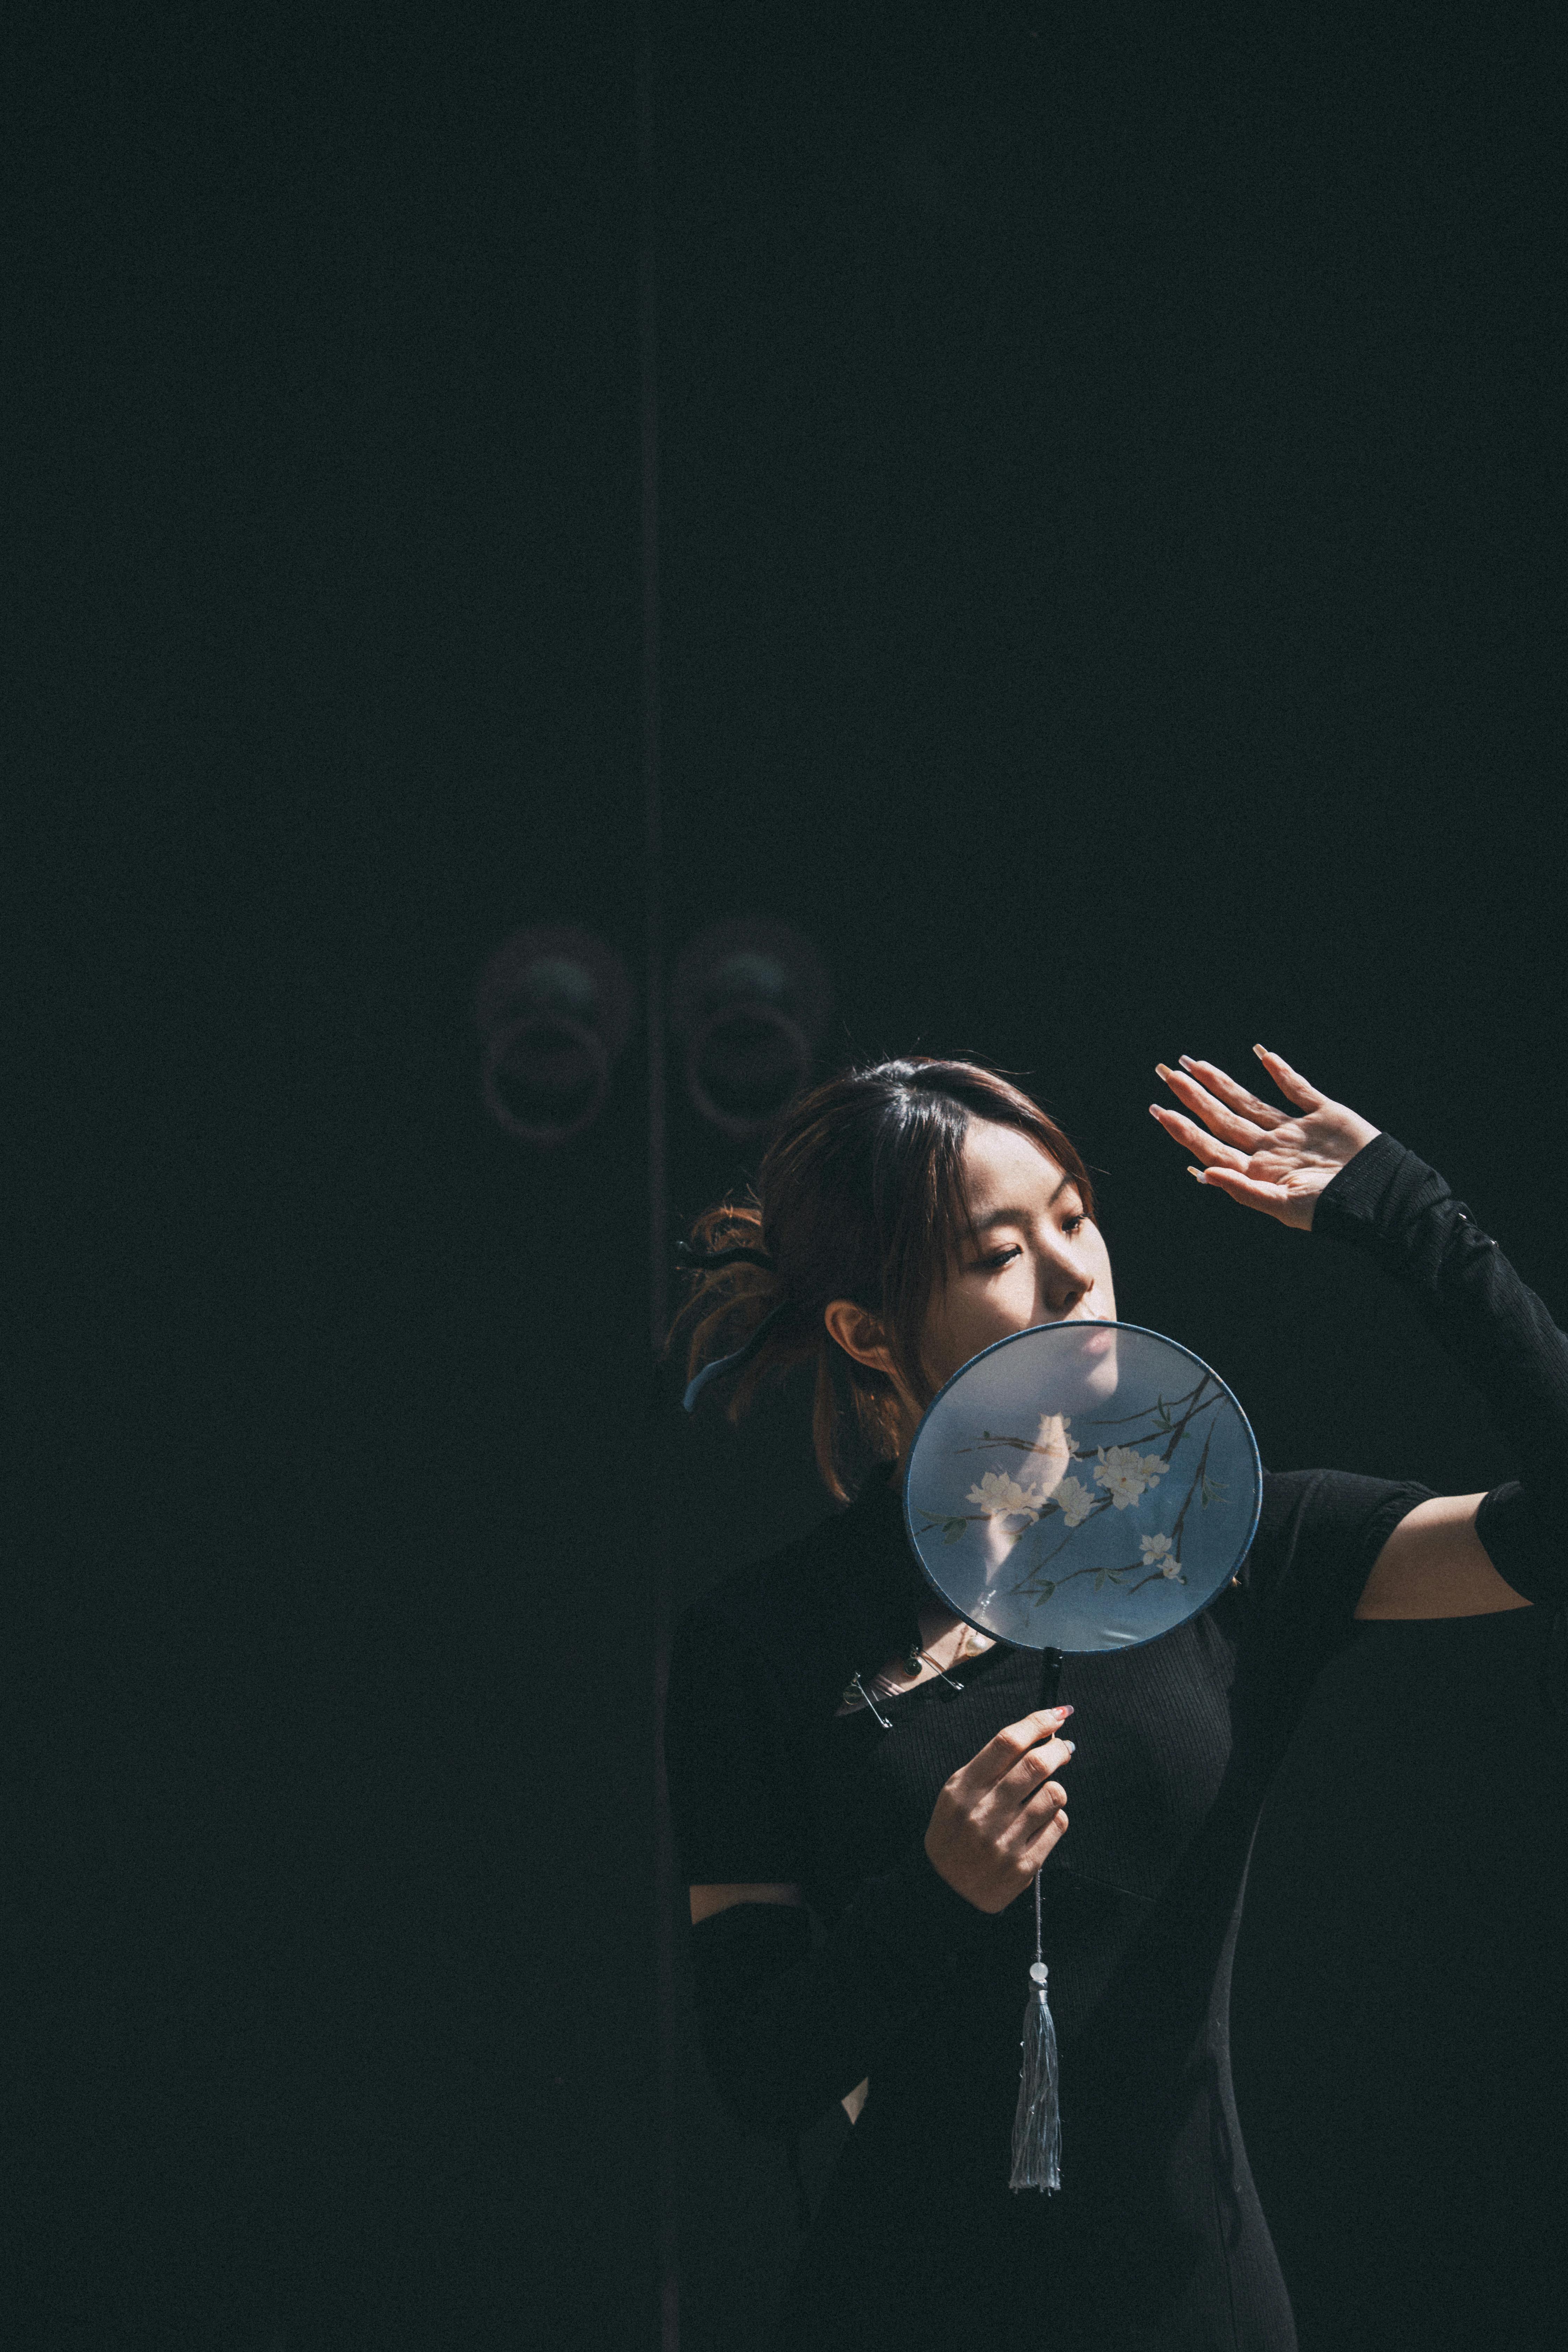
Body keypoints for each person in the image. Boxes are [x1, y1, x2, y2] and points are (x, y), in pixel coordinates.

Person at [662, 1049, 1564, 2351]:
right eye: (999, 1251)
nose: (1076, 1270)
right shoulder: (759, 1642)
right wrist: (931, 1900)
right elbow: (759, 2071)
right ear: (865, 1330)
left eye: (1078, 1218)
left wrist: (1407, 1213)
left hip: (1196, 2309)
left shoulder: (1239, 1548)